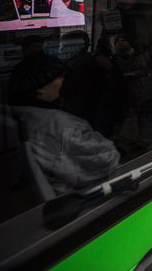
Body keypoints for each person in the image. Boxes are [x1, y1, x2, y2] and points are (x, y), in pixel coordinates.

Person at [8, 53, 120, 195]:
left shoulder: (13, 115)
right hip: (72, 200)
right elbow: (107, 160)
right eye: (60, 77)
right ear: (40, 86)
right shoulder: (62, 126)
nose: (64, 81)